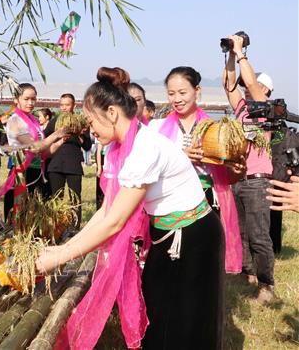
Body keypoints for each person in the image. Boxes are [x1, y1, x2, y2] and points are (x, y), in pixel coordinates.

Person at [36, 67, 224, 350]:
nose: (89, 129)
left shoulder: (144, 148)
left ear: (111, 113)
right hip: (168, 236)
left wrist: (61, 256)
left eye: (90, 120)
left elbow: (114, 222)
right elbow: (106, 210)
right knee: (158, 315)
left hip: (193, 237)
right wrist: (65, 248)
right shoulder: (123, 146)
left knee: (187, 324)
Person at [149, 66, 242, 273]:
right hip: (169, 201)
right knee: (171, 262)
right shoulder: (156, 128)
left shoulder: (215, 130)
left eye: (183, 92)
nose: (177, 99)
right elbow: (149, 166)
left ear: (197, 91)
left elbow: (229, 178)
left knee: (203, 262)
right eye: (171, 93)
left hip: (206, 201)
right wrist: (180, 156)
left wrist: (237, 168)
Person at [222, 33, 276, 303]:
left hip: (257, 181)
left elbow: (251, 82)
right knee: (240, 233)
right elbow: (229, 85)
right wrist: (230, 54)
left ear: (266, 91)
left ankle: (267, 286)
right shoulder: (242, 109)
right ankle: (248, 274)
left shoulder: (264, 109)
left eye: (252, 86)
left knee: (258, 235)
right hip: (239, 178)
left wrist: (242, 52)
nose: (245, 87)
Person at [0, 84, 64, 219]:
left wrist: (61, 141)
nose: (30, 103)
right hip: (22, 172)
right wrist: (56, 135)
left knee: (33, 214)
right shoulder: (15, 120)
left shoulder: (34, 121)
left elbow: (45, 152)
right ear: (16, 99)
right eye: (26, 99)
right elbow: (34, 147)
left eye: (33, 99)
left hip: (36, 171)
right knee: (19, 214)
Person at [44, 93, 92, 227]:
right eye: (62, 105)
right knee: (55, 198)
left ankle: (74, 227)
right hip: (55, 164)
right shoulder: (55, 121)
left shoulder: (80, 121)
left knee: (75, 198)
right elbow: (45, 140)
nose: (64, 108)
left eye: (67, 105)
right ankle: (55, 226)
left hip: (73, 165)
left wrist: (80, 134)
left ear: (73, 105)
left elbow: (87, 146)